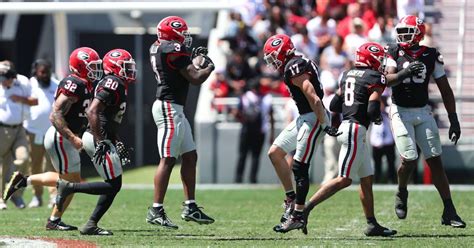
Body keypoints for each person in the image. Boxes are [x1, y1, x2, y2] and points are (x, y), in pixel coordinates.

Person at [3, 47, 103, 230]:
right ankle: (52, 219)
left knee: (71, 181)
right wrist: (72, 137)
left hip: (66, 137)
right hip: (61, 137)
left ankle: (28, 186)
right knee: (71, 183)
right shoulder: (74, 83)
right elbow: (55, 113)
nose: (95, 70)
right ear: (79, 66)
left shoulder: (85, 83)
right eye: (91, 66)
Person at [303, 42, 397, 237]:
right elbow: (372, 107)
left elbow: (336, 104)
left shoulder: (347, 74)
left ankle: (372, 224)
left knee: (366, 179)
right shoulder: (375, 77)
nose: (380, 63)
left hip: (348, 128)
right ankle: (303, 209)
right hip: (355, 130)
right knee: (344, 179)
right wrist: (375, 115)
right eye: (378, 59)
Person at [384, 15, 465, 227]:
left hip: (422, 111)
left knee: (435, 161)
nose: (402, 36)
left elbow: (445, 90)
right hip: (400, 110)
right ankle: (402, 191)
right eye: (400, 32)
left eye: (406, 32)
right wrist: (405, 72)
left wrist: (453, 119)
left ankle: (449, 210)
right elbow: (388, 80)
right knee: (409, 158)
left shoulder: (431, 55)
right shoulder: (394, 51)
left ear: (418, 33)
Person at [262, 34, 339, 234]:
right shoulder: (295, 62)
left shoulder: (293, 66)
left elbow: (312, 96)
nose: (273, 61)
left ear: (284, 51)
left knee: (299, 166)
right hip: (305, 116)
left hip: (314, 117)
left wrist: (323, 122)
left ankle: (297, 215)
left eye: (274, 56)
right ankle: (291, 198)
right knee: (275, 152)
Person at [55, 49, 135, 235]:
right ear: (115, 67)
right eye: (126, 66)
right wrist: (101, 141)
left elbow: (109, 117)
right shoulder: (113, 82)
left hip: (101, 136)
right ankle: (70, 188)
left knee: (113, 184)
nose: (130, 70)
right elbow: (93, 111)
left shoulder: (117, 82)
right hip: (96, 137)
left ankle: (91, 223)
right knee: (113, 184)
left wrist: (115, 140)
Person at [147, 16, 215, 229]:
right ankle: (156, 209)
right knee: (168, 159)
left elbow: (181, 70)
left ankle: (190, 206)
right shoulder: (172, 48)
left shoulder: (160, 47)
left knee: (190, 156)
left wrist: (194, 63)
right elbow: (195, 78)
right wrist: (208, 67)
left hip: (174, 107)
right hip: (169, 107)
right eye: (181, 33)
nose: (184, 38)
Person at [0, 62, 37, 210]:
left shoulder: (22, 82)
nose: (2, 82)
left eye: (4, 78)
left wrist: (20, 99)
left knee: (23, 159)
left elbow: (35, 101)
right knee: (2, 167)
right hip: (2, 130)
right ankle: (1, 199)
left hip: (20, 129)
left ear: (12, 77)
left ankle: (16, 195)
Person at [23, 59, 59, 208]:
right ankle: (37, 196)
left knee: (53, 164)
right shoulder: (29, 85)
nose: (44, 75)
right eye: (41, 72)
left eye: (46, 72)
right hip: (33, 131)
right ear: (36, 72)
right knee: (35, 165)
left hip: (52, 132)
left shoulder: (56, 84)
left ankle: (54, 196)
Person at [234, 79, 274, 183]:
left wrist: (242, 120)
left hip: (246, 129)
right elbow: (271, 117)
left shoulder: (244, 97)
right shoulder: (267, 98)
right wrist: (272, 134)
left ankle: (238, 178)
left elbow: (237, 113)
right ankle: (253, 179)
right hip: (260, 131)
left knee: (242, 155)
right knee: (256, 156)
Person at [369, 95, 396, 184]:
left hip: (388, 141)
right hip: (377, 142)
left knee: (391, 163)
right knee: (377, 164)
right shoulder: (373, 113)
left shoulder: (388, 112)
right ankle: (377, 180)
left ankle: (392, 180)